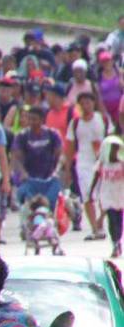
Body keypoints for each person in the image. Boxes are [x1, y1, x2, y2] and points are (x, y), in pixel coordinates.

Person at [65, 90, 107, 240]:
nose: (85, 106)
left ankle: (101, 222)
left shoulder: (101, 119)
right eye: (82, 103)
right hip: (83, 162)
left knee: (103, 195)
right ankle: (95, 228)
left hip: (102, 161)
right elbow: (69, 145)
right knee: (88, 196)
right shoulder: (75, 123)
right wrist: (68, 167)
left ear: (94, 103)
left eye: (88, 102)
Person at [12, 105, 64, 213]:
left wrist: (57, 171)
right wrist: (22, 172)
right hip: (30, 179)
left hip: (49, 178)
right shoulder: (22, 136)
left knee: (54, 201)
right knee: (26, 199)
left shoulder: (52, 134)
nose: (31, 122)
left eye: (34, 119)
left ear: (42, 120)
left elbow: (60, 156)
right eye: (29, 119)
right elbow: (16, 159)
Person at [90, 135, 124, 258]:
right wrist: (91, 192)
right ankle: (115, 242)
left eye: (116, 149)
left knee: (119, 221)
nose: (114, 151)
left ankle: (118, 241)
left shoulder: (121, 164)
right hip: (107, 195)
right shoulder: (102, 165)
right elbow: (96, 177)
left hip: (119, 195)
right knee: (112, 220)